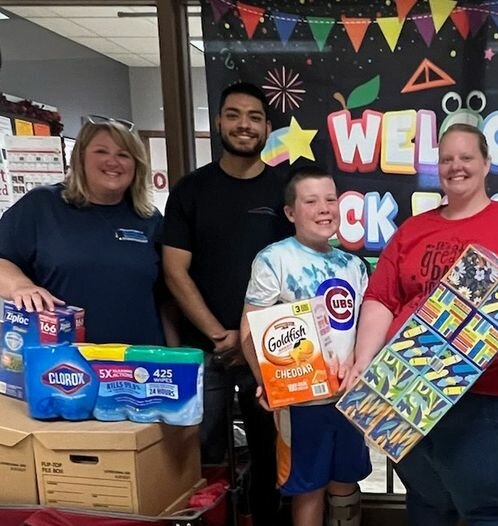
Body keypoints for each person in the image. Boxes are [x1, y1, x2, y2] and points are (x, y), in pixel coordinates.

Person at [344, 123, 498, 525]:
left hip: (491, 400)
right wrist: (363, 361)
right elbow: (381, 298)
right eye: (447, 159)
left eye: (466, 157)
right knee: (428, 506)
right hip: (407, 392)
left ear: (486, 163)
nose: (455, 166)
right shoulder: (413, 229)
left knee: (493, 511)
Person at [162, 82, 290, 525]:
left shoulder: (282, 192)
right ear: (218, 122)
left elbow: (291, 275)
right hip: (205, 350)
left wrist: (249, 339)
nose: (244, 125)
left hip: (269, 354)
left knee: (271, 458)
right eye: (234, 114)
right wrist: (221, 334)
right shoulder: (190, 190)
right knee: (202, 459)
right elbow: (174, 270)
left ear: (267, 128)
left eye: (254, 117)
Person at [240, 166, 372, 526]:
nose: (324, 208)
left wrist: (360, 364)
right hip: (300, 401)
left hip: (348, 397)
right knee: (308, 487)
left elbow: (365, 328)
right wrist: (265, 381)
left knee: (346, 480)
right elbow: (251, 330)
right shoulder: (275, 259)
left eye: (331, 199)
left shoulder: (354, 266)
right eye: (311, 201)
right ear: (291, 212)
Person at [0, 115, 176, 346]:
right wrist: (20, 286)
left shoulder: (149, 219)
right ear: (80, 157)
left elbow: (166, 299)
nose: (113, 162)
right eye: (101, 151)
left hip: (139, 365)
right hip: (64, 362)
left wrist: (178, 357)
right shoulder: (42, 205)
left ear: (137, 166)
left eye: (124, 154)